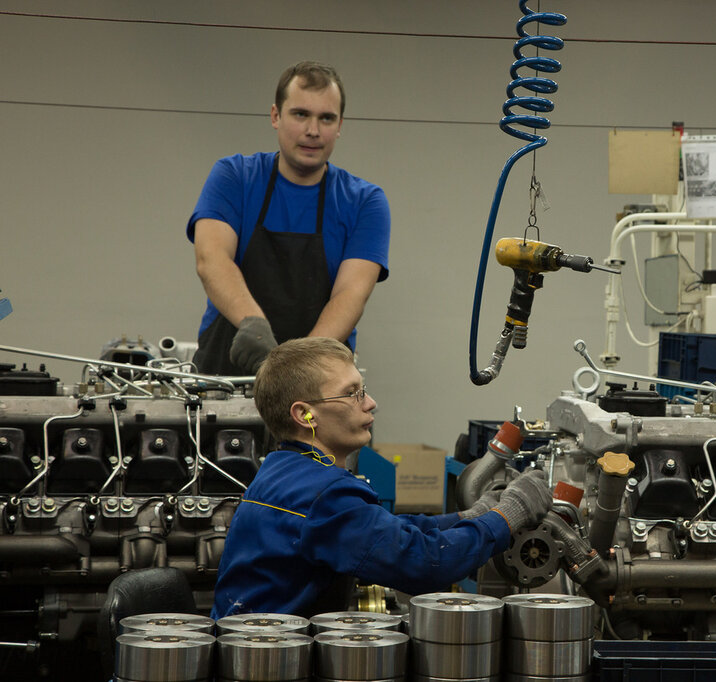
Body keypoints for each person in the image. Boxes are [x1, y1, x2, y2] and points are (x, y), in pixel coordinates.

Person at [210, 337, 553, 619]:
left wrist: (469, 517)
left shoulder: (282, 469)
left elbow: (386, 530)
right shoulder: (323, 494)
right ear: (304, 414)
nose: (370, 403)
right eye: (352, 393)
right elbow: (428, 564)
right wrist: (510, 514)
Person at [187, 60, 390, 375]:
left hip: (316, 380)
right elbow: (211, 260)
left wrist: (297, 368)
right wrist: (254, 326)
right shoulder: (234, 177)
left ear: (340, 126)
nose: (312, 131)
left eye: (326, 118)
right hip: (226, 376)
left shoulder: (365, 202)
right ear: (275, 116)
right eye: (300, 114)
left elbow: (351, 294)